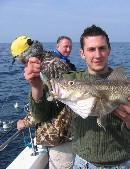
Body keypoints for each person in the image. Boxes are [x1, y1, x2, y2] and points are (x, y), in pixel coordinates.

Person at [24, 25, 130, 169]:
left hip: (120, 164)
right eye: (91, 49)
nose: (97, 55)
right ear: (82, 53)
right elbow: (41, 116)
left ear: (109, 50)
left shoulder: (128, 85)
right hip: (83, 164)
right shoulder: (71, 80)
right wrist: (36, 87)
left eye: (102, 48)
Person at [14, 35, 76, 169]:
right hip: (62, 135)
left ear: (24, 56)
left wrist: (24, 122)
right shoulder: (51, 61)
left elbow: (47, 106)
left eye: (19, 60)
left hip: (61, 137)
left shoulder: (47, 68)